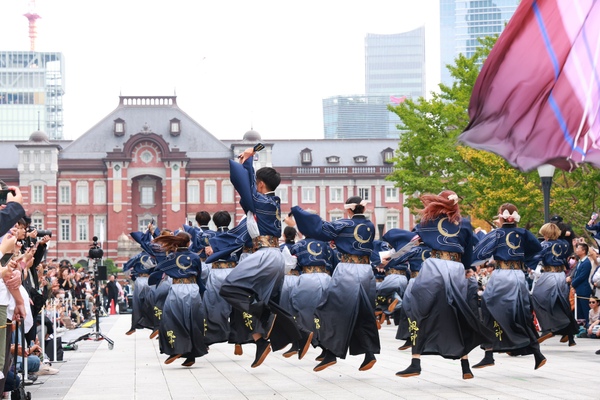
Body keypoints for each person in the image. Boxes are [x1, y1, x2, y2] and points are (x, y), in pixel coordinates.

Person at [220, 147, 312, 368]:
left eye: (256, 184)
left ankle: (268, 319)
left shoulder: (260, 200)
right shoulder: (272, 201)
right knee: (265, 301)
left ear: (261, 185)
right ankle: (291, 335)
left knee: (229, 288)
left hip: (265, 255)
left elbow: (245, 183)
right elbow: (248, 186)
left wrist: (247, 161)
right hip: (274, 256)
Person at [396, 191, 492, 380]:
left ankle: (415, 362)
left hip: (434, 265)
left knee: (420, 310)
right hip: (456, 267)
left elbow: (412, 243)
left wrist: (392, 259)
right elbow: (468, 251)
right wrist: (466, 268)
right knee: (458, 313)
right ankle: (465, 366)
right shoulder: (464, 223)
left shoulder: (427, 222)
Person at [292, 196, 379, 372]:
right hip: (366, 270)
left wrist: (297, 211)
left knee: (330, 310)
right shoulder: (370, 226)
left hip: (348, 269)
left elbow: (319, 229)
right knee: (363, 312)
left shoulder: (344, 224)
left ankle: (330, 353)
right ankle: (369, 353)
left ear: (349, 210)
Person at [471, 203, 545, 371]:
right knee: (521, 312)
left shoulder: (496, 234)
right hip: (518, 274)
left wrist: (474, 261)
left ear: (501, 217)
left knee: (488, 309)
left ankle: (488, 354)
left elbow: (480, 252)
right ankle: (536, 352)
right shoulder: (524, 233)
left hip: (502, 274)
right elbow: (538, 249)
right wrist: (525, 261)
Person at [148, 232, 207, 367]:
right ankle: (191, 356)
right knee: (192, 320)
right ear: (188, 243)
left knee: (171, 319)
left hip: (177, 288)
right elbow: (199, 276)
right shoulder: (194, 257)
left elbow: (157, 270)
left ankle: (177, 349)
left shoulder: (170, 258)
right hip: (193, 288)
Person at [530, 223, 578, 346]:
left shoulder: (544, 245)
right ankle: (569, 333)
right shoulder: (565, 244)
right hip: (561, 275)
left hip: (549, 274)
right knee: (562, 302)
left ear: (546, 234)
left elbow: (536, 258)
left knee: (537, 298)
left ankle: (548, 328)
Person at [567, 242, 593, 325]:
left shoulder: (586, 263)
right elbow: (575, 274)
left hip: (583, 289)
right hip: (578, 289)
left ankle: (588, 326)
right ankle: (581, 326)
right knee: (579, 310)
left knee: (585, 309)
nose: (577, 250)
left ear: (584, 251)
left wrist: (573, 283)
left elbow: (582, 276)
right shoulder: (580, 262)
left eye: (578, 248)